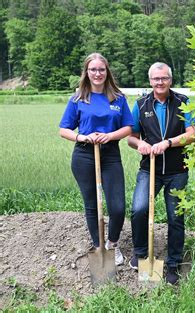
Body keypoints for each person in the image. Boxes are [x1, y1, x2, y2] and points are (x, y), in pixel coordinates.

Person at [59, 52, 133, 266]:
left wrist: (110, 135)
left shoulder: (118, 98)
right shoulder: (78, 98)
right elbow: (63, 129)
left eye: (101, 69)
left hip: (110, 155)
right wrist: (83, 136)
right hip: (84, 155)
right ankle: (98, 246)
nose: (97, 73)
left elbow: (128, 127)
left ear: (107, 71)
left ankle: (112, 244)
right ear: (87, 72)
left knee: (117, 206)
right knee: (92, 205)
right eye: (93, 69)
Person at [127, 62, 195, 285]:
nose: (160, 82)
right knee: (139, 209)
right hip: (150, 169)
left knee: (175, 217)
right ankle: (140, 254)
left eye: (164, 78)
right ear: (150, 81)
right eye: (156, 79)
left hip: (178, 171)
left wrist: (168, 143)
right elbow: (131, 137)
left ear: (170, 80)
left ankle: (173, 263)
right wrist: (140, 145)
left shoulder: (184, 103)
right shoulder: (140, 104)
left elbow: (192, 134)